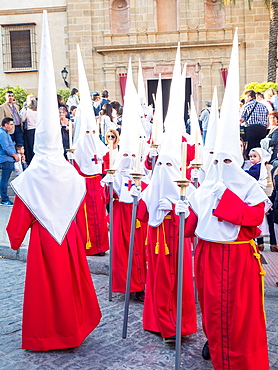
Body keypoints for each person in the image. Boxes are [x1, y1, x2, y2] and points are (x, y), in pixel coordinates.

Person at [6, 10, 101, 351]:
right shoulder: (70, 173)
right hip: (69, 238)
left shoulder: (32, 176)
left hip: (46, 243)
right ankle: (73, 330)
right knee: (71, 286)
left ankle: (48, 336)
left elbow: (17, 226)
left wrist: (16, 236)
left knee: (48, 290)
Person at [186, 31, 270, 369]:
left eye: (226, 162)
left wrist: (225, 200)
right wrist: (182, 209)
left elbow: (253, 219)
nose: (220, 169)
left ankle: (242, 358)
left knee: (240, 312)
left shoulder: (249, 186)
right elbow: (194, 226)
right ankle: (216, 346)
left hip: (238, 258)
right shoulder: (206, 186)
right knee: (211, 307)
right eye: (216, 163)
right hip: (208, 256)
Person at [240, 90, 269, 154]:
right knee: (259, 147)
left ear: (250, 97)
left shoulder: (247, 106)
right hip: (262, 129)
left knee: (250, 147)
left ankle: (251, 161)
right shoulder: (263, 106)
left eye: (246, 97)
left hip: (251, 128)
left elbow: (241, 119)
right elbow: (268, 118)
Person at [0, 117, 19, 205]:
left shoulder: (5, 133)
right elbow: (6, 147)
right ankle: (4, 199)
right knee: (4, 180)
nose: (12, 126)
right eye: (11, 124)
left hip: (8, 159)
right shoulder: (2, 134)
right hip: (6, 159)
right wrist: (14, 155)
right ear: (6, 124)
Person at [20, 95, 37, 165]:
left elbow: (23, 119)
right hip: (37, 129)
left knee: (30, 146)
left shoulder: (27, 110)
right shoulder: (38, 110)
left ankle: (31, 161)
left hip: (30, 130)